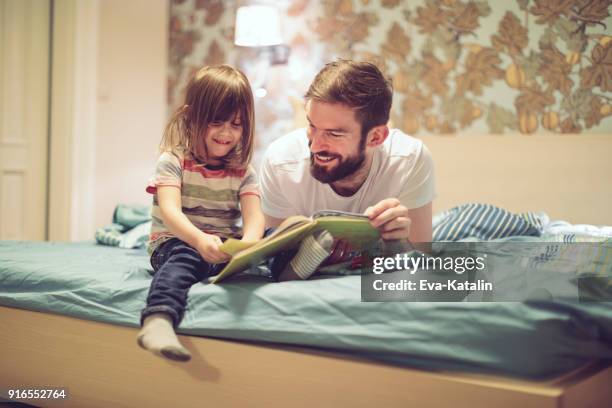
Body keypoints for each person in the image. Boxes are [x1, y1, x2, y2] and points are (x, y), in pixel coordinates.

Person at [261, 60, 435, 280]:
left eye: (334, 134)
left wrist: (399, 244)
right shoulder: (281, 163)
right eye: (312, 126)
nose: (315, 146)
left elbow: (421, 266)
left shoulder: (409, 160)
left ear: (375, 137)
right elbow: (275, 269)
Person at [137, 65, 265, 362]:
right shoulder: (172, 161)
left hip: (222, 247)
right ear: (191, 117)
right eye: (216, 122)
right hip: (176, 242)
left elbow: (255, 218)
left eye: (236, 124)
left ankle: (297, 263)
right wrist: (198, 240)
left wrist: (248, 245)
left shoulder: (244, 172)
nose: (226, 133)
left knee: (274, 236)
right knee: (186, 256)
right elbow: (170, 212)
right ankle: (157, 321)